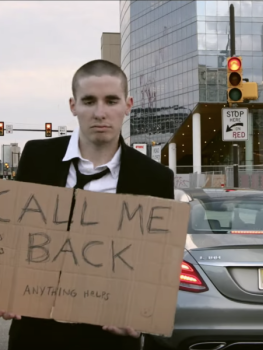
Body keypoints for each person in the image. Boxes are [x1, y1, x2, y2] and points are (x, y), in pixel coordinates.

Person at [1, 59, 174, 350]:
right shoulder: (37, 156)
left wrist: (140, 317)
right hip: (36, 334)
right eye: (89, 101)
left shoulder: (154, 177)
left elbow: (154, 267)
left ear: (127, 105)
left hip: (108, 340)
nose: (100, 112)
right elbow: (15, 238)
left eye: (111, 100)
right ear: (73, 105)